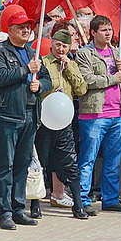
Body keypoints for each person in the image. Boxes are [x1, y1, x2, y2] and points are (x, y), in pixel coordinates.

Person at [0, 8, 51, 230]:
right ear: (10, 30)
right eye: (22, 26)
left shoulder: (33, 53)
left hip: (30, 113)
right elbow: (0, 77)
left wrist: (39, 85)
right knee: (6, 164)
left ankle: (18, 208)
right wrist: (26, 70)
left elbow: (47, 79)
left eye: (28, 26)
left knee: (22, 164)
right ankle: (4, 210)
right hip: (8, 115)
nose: (26, 30)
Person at [76, 15, 121, 216]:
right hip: (94, 114)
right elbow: (87, 80)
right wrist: (112, 78)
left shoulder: (116, 52)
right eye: (103, 30)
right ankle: (82, 199)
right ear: (93, 32)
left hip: (117, 113)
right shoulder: (85, 54)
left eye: (110, 29)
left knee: (113, 160)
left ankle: (110, 198)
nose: (108, 33)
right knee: (88, 159)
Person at [37, 29, 89, 219]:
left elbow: (81, 89)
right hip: (44, 121)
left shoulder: (72, 64)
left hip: (64, 122)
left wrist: (68, 68)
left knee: (70, 163)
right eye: (58, 45)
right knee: (41, 162)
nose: (60, 49)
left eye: (64, 46)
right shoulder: (43, 62)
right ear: (51, 44)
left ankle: (78, 204)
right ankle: (36, 203)